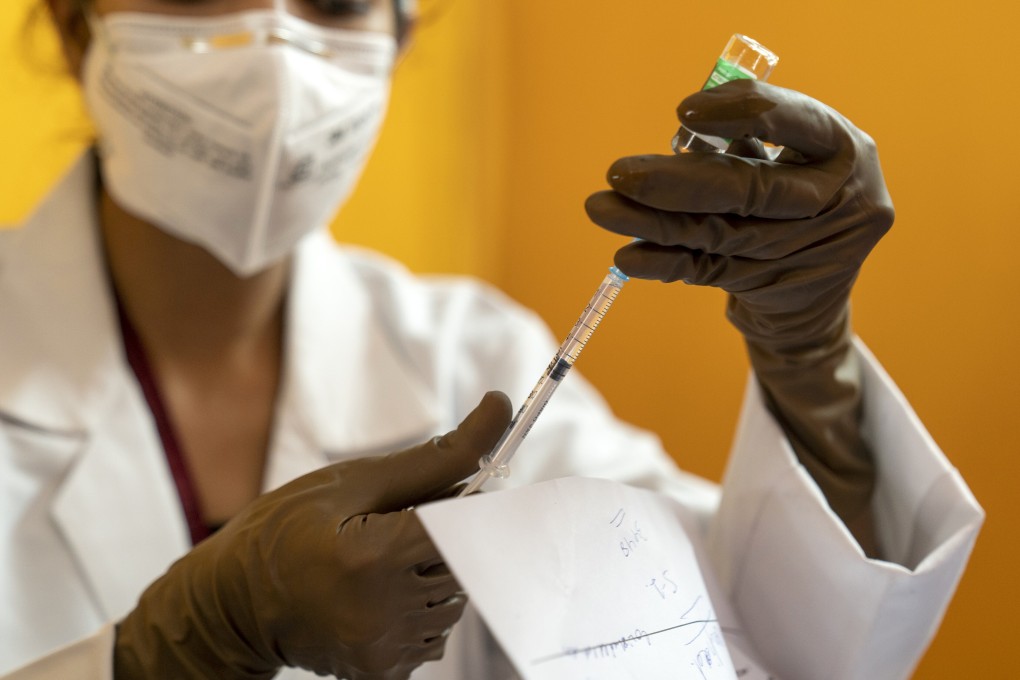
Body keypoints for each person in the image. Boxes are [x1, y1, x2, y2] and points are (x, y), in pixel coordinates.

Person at [0, 0, 983, 678]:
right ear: (74, 21)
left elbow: (765, 641)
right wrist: (161, 656)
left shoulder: (470, 360)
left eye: (337, 0)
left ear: (400, 31)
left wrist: (812, 365)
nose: (273, 47)